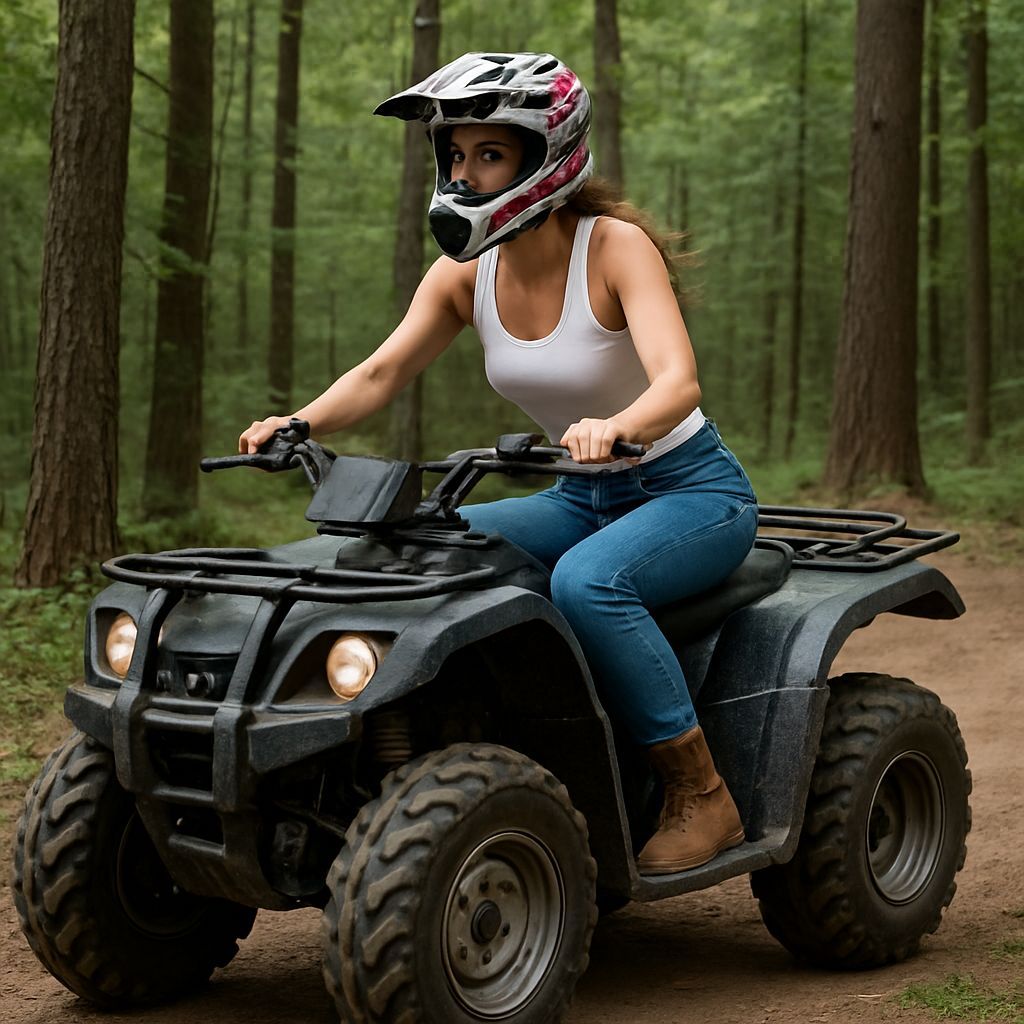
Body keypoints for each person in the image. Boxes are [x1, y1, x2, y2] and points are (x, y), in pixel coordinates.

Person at [240, 52, 759, 875]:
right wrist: (296, 422)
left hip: (690, 488)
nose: (467, 173)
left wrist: (615, 424)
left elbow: (678, 381)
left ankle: (701, 792)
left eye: (491, 154)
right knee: (413, 545)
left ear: (543, 153)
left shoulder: (613, 247)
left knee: (589, 585)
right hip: (581, 497)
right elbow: (380, 373)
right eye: (456, 155)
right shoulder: (462, 274)